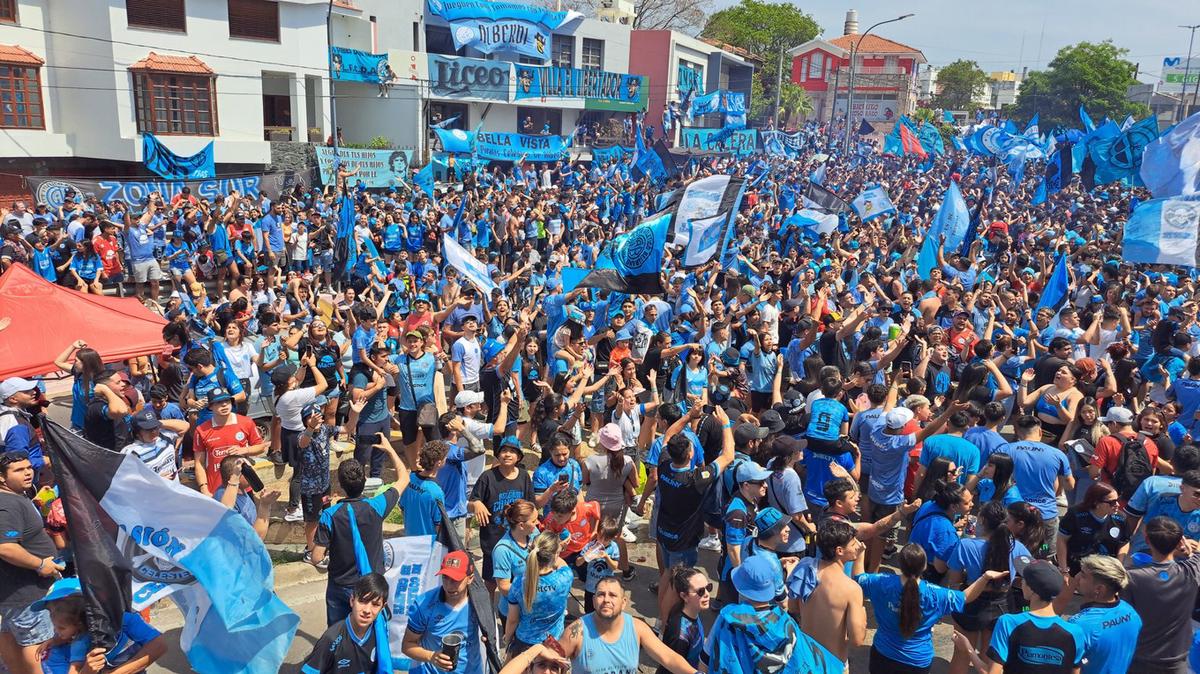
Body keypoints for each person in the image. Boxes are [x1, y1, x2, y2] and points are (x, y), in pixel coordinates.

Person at [857, 543, 1007, 674]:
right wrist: (985, 577)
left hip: (883, 654)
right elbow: (965, 597)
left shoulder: (881, 583)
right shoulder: (936, 594)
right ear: (923, 566)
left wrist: (860, 553)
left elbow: (859, 579)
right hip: (917, 661)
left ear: (901, 565)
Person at [313, 435, 410, 626]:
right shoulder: (377, 506)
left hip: (339, 585)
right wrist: (390, 449)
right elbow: (404, 477)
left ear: (340, 485)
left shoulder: (329, 515)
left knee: (338, 635)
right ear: (365, 482)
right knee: (372, 633)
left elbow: (317, 557)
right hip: (371, 586)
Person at [707, 554, 845, 673]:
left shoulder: (727, 619)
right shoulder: (786, 622)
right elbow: (805, 658)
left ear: (740, 588)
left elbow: (706, 658)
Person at [946, 500, 1031, 674]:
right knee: (991, 658)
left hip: (971, 602)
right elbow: (1031, 573)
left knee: (962, 654)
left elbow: (954, 582)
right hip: (1002, 605)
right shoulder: (1018, 548)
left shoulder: (966, 545)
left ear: (983, 521)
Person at [557, 576, 703, 674]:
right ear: (594, 600)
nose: (606, 600)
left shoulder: (637, 628)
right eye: (601, 594)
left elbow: (667, 657)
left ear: (624, 603)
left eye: (613, 595)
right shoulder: (575, 633)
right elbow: (550, 663)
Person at [0, 451, 63, 674]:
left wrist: (40, 509)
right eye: (19, 470)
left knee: (10, 639)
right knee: (39, 645)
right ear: (1, 477)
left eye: (28, 467)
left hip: (16, 595)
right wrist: (40, 565)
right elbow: (5, 547)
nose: (28, 472)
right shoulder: (6, 504)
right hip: (28, 594)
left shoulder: (16, 497)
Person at [34, 576, 166, 674]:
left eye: (61, 627)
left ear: (80, 619)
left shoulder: (121, 619)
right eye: (50, 612)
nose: (57, 630)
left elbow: (159, 645)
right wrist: (87, 671)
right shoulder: (56, 651)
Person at [980, 558, 1085, 674]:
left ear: (1031, 589)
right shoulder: (1075, 632)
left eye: (1024, 579)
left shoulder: (1008, 622)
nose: (1021, 583)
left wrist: (968, 650)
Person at [1124, 516, 1200, 673]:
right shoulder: (1191, 570)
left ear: (1147, 540)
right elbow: (1198, 553)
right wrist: (1186, 551)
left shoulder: (1132, 577)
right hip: (1177, 660)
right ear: (1180, 541)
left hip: (1139, 658)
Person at [997, 415, 1074, 549]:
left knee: (1011, 553)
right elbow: (1070, 485)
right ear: (1040, 431)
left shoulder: (1005, 450)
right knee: (1044, 556)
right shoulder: (1057, 454)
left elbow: (994, 479)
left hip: (1014, 514)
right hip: (1046, 514)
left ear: (1018, 432)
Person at [401, 550, 482, 674]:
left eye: (455, 579)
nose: (449, 586)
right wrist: (432, 656)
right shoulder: (423, 605)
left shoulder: (480, 602)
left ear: (470, 579)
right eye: (445, 578)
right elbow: (407, 645)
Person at [800, 519, 867, 667]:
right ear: (839, 551)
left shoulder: (805, 569)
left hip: (804, 657)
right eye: (853, 542)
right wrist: (863, 615)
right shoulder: (851, 589)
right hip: (832, 662)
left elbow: (792, 607)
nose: (858, 544)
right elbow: (857, 640)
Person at [302, 573, 390, 674]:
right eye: (362, 601)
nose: (367, 610)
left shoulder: (380, 634)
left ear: (383, 607)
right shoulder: (331, 638)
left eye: (375, 604)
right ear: (352, 600)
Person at [1067, 554, 1142, 674]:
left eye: (1083, 575)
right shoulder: (1131, 613)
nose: (1077, 577)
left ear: (1099, 589)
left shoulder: (1079, 626)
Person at [503, 531, 574, 657]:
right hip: (554, 641)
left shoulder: (518, 583)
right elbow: (561, 564)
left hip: (525, 642)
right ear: (555, 555)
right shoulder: (565, 577)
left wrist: (507, 639)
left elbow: (513, 619)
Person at [192, 387, 267, 498]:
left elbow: (261, 447)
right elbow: (199, 463)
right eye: (218, 402)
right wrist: (204, 488)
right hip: (217, 489)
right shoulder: (201, 430)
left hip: (243, 487)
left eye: (227, 401)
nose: (224, 405)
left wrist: (244, 450)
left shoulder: (246, 422)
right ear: (210, 406)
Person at [657, 566, 710, 674]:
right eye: (700, 591)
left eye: (708, 587)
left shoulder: (690, 611)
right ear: (684, 596)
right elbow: (674, 668)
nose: (707, 594)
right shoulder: (681, 636)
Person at [401, 440, 449, 538]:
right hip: (427, 543)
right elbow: (438, 524)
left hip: (409, 537)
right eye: (445, 457)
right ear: (438, 463)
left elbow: (402, 507)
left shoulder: (410, 478)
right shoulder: (436, 492)